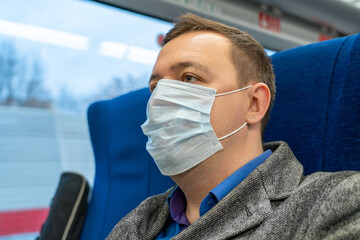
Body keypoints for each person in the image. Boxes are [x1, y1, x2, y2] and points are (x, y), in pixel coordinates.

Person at [107, 14, 360, 240]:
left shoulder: (338, 201)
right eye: (156, 87)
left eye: (189, 78)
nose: (161, 100)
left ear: (254, 103)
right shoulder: (136, 223)